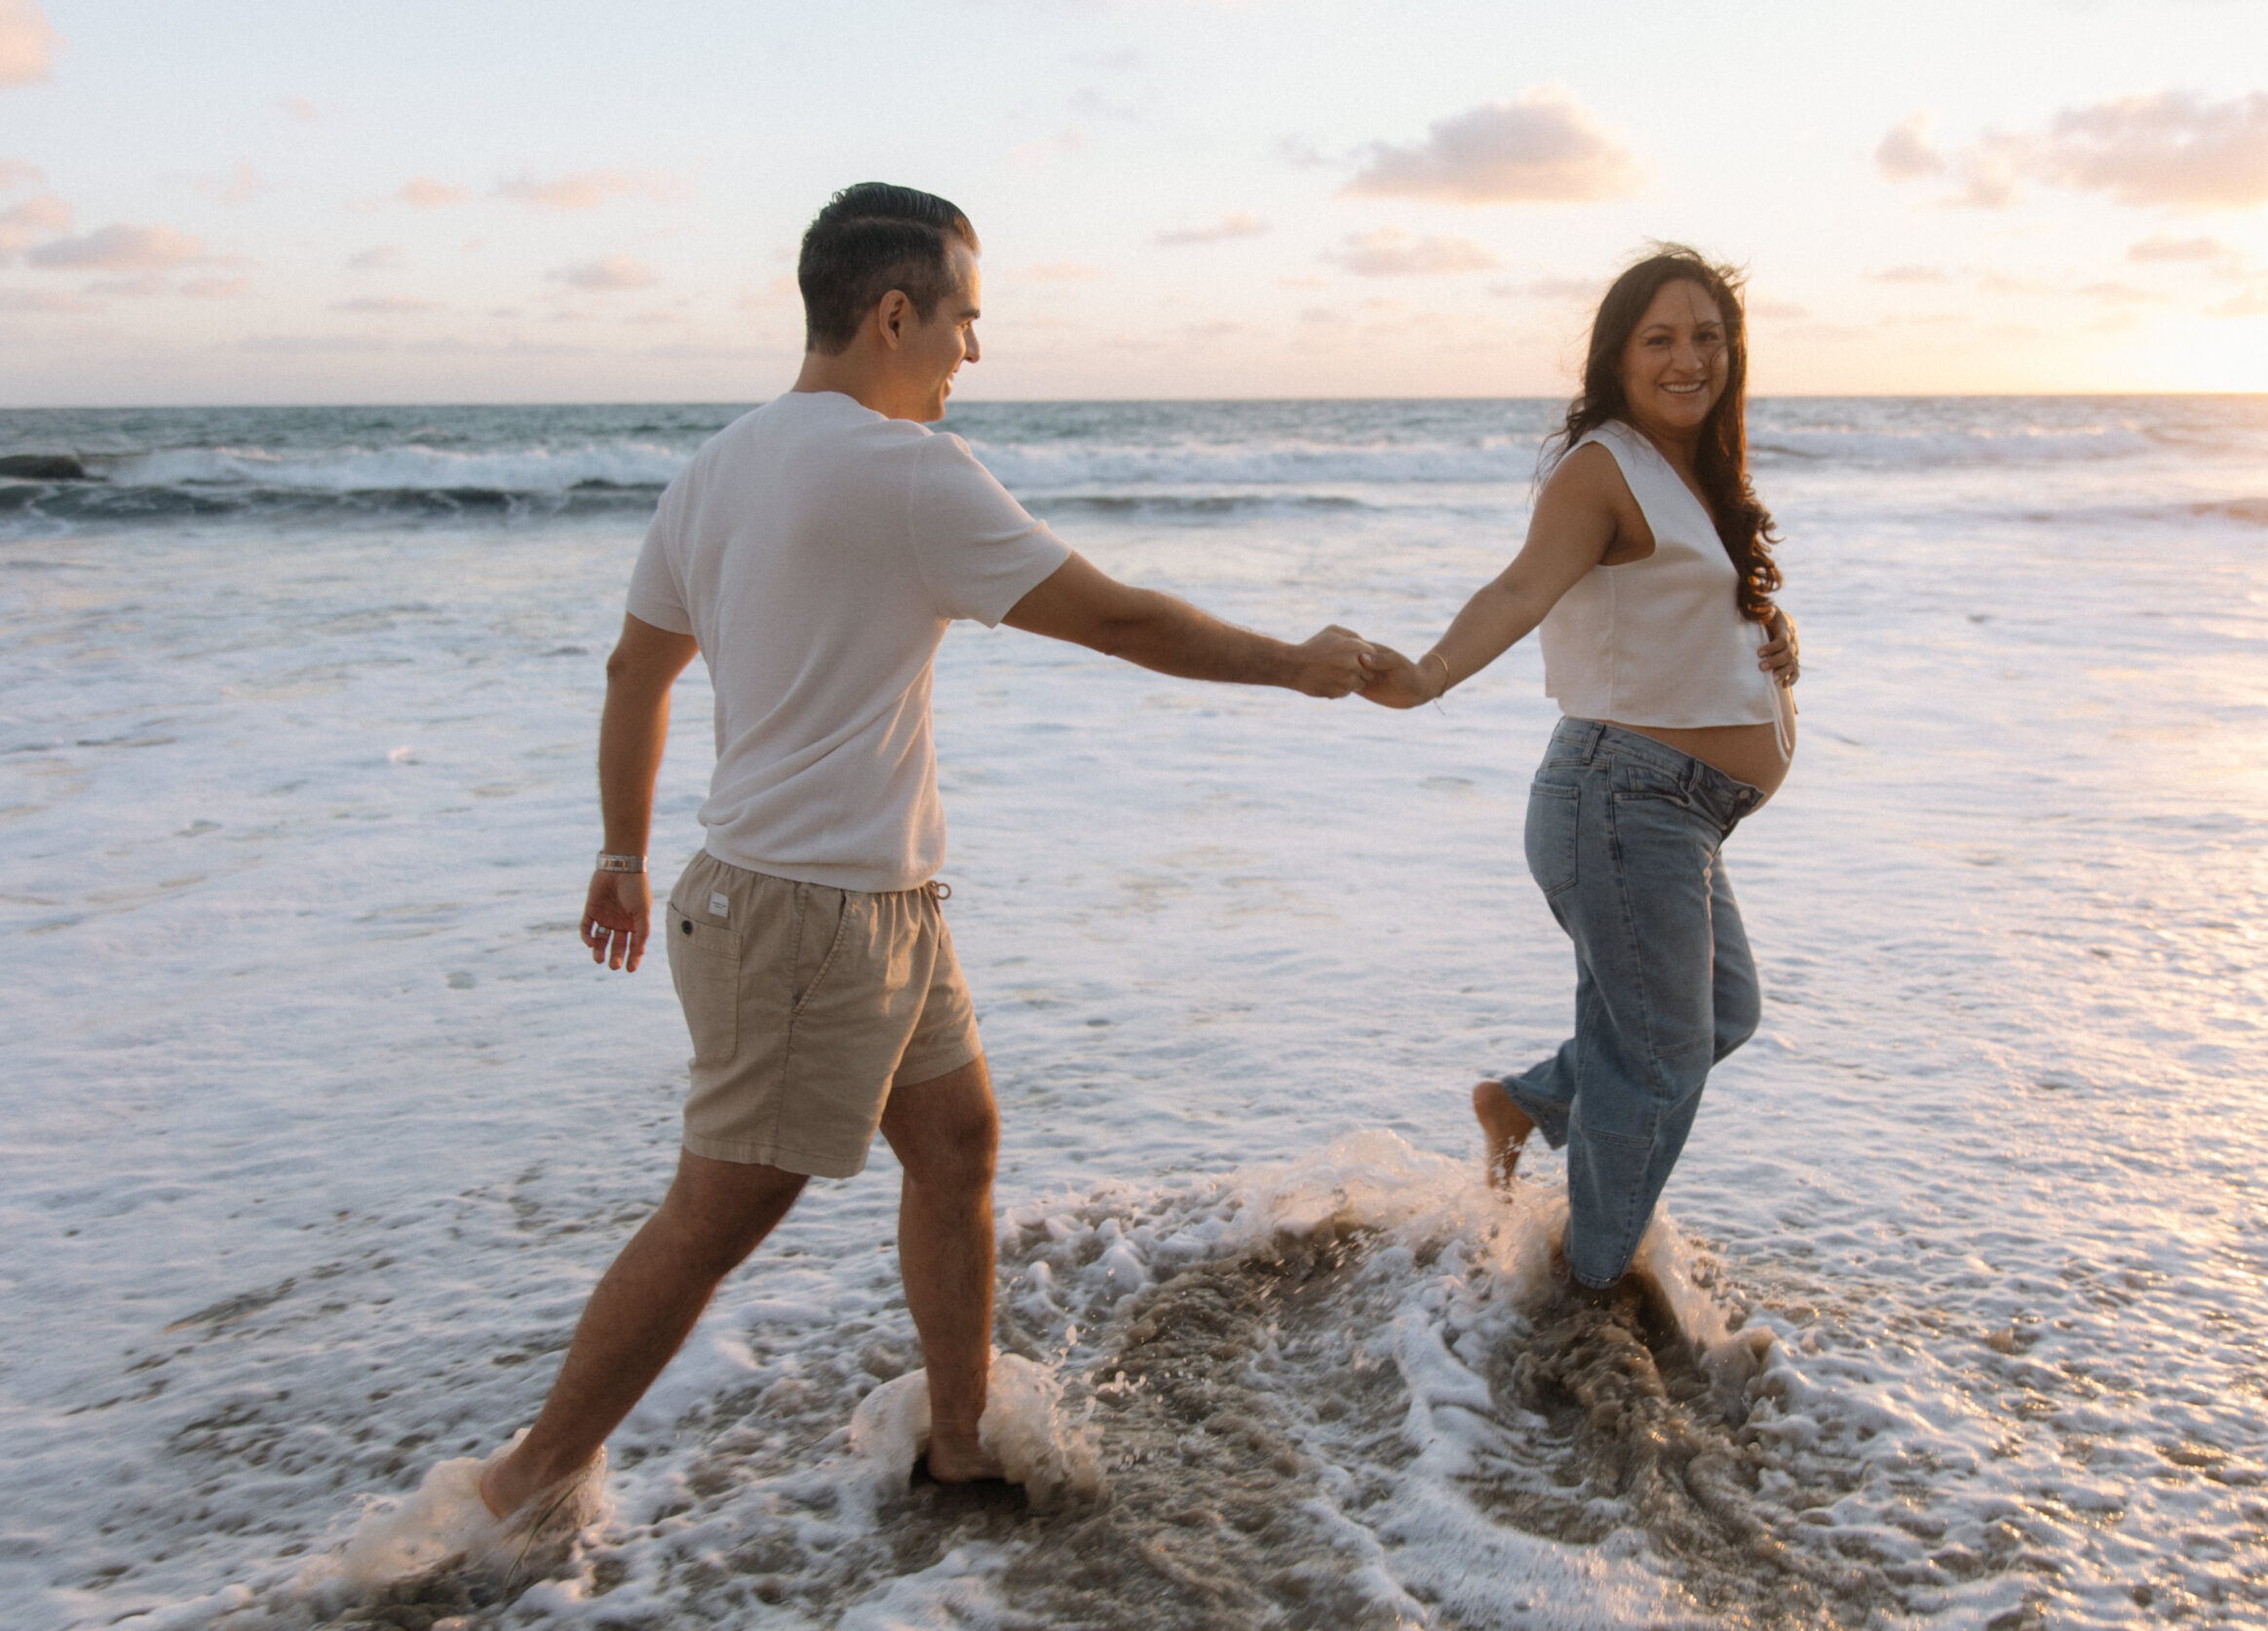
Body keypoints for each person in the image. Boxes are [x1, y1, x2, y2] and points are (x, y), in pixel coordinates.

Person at [459, 182, 1380, 1538]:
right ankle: (522, 1488)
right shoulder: (904, 474)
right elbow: (1119, 620)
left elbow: (635, 670)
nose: (973, 354)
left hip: (849, 899)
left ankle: (956, 1442)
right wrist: (1295, 662)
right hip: (808, 917)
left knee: (956, 1142)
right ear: (895, 314)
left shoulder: (718, 464)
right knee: (719, 1212)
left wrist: (620, 848)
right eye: (965, 320)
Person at [1362, 244, 1800, 1293]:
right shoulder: (1602, 466)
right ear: (1617, 356)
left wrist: (1769, 636)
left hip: (1675, 810)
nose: (1689, 358)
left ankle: (1523, 1103)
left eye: (1707, 337)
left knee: (1715, 1017)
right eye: (1661, 339)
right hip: (1620, 801)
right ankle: (1588, 1293)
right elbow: (1520, 590)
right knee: (1658, 1060)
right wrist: (1426, 674)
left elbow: (1670, 617)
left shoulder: (1693, 469)